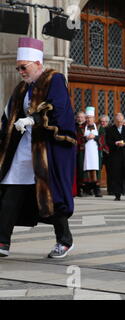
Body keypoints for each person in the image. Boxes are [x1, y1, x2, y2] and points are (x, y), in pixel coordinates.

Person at [0, 37, 76, 258]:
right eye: (18, 68)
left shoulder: (55, 79)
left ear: (37, 64)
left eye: (24, 67)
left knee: (50, 194)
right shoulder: (21, 88)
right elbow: (8, 117)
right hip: (23, 149)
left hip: (46, 149)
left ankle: (65, 240)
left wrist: (33, 119)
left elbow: (59, 107)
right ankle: (2, 241)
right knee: (11, 189)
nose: (20, 72)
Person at [76, 107, 105, 197]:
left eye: (90, 117)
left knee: (96, 170)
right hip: (84, 152)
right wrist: (86, 138)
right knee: (84, 170)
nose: (89, 119)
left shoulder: (99, 127)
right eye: (87, 117)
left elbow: (103, 138)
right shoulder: (81, 127)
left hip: (95, 153)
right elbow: (78, 139)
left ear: (94, 118)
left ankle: (97, 190)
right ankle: (85, 189)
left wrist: (95, 137)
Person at [106, 113, 125, 201]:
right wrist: (115, 143)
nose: (119, 123)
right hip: (115, 155)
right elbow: (108, 141)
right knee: (117, 176)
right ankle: (117, 195)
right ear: (115, 121)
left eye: (121, 121)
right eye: (118, 121)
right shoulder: (110, 129)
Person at [98, 115, 112, 194]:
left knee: (110, 171)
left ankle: (110, 189)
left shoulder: (110, 129)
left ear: (108, 122)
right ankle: (97, 188)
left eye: (105, 121)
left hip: (108, 153)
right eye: (101, 121)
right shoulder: (98, 128)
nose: (103, 123)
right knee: (98, 170)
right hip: (99, 152)